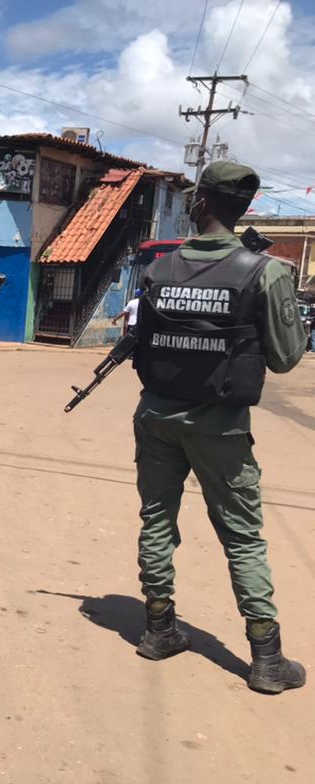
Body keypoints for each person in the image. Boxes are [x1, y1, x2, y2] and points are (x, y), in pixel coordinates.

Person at [131, 161, 307, 695]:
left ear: (201, 202)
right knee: (242, 538)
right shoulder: (265, 271)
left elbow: (143, 339)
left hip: (157, 415)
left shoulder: (159, 269)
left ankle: (159, 629)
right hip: (221, 426)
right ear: (244, 209)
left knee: (157, 519)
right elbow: (285, 359)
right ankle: (266, 657)